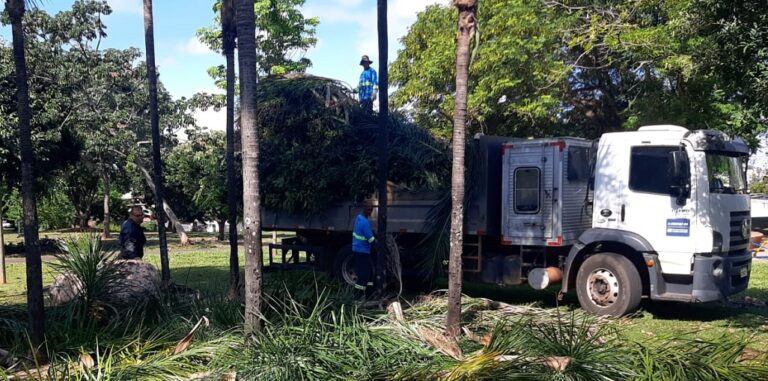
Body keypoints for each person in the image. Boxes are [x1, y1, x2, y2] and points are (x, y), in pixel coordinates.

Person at [352, 202, 376, 299]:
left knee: (368, 273)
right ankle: (358, 295)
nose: (370, 212)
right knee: (364, 274)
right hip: (362, 250)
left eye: (371, 210)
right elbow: (371, 240)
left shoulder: (359, 218)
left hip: (358, 249)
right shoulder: (364, 223)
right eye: (369, 210)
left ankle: (369, 294)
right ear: (364, 209)